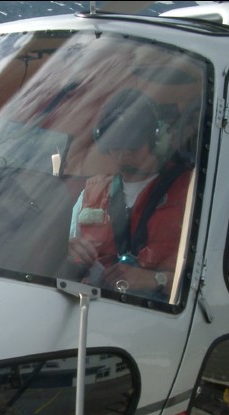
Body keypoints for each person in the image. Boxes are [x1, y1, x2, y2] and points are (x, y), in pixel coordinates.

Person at [68, 89, 192, 298]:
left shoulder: (189, 191)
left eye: (133, 143)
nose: (123, 153)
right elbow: (67, 259)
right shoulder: (90, 194)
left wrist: (155, 280)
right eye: (115, 145)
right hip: (91, 307)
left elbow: (207, 282)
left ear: (157, 137)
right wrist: (71, 252)